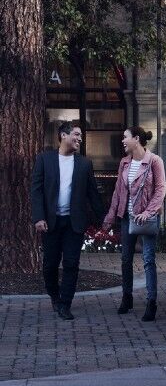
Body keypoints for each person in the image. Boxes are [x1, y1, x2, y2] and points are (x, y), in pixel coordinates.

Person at [31, 121, 104, 320]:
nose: (80, 139)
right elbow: (36, 191)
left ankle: (65, 304)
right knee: (50, 265)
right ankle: (54, 295)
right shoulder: (44, 160)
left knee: (71, 264)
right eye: (76, 134)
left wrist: (105, 218)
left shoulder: (84, 163)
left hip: (74, 223)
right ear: (63, 135)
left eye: (80, 136)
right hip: (51, 223)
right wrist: (38, 217)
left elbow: (92, 194)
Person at [102, 127, 166, 322]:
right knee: (125, 260)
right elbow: (118, 192)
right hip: (127, 217)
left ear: (136, 139)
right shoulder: (124, 163)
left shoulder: (154, 161)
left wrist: (147, 213)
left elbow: (160, 189)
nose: (122, 140)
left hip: (146, 218)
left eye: (125, 137)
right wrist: (110, 216)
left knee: (148, 260)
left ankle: (151, 302)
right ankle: (127, 297)